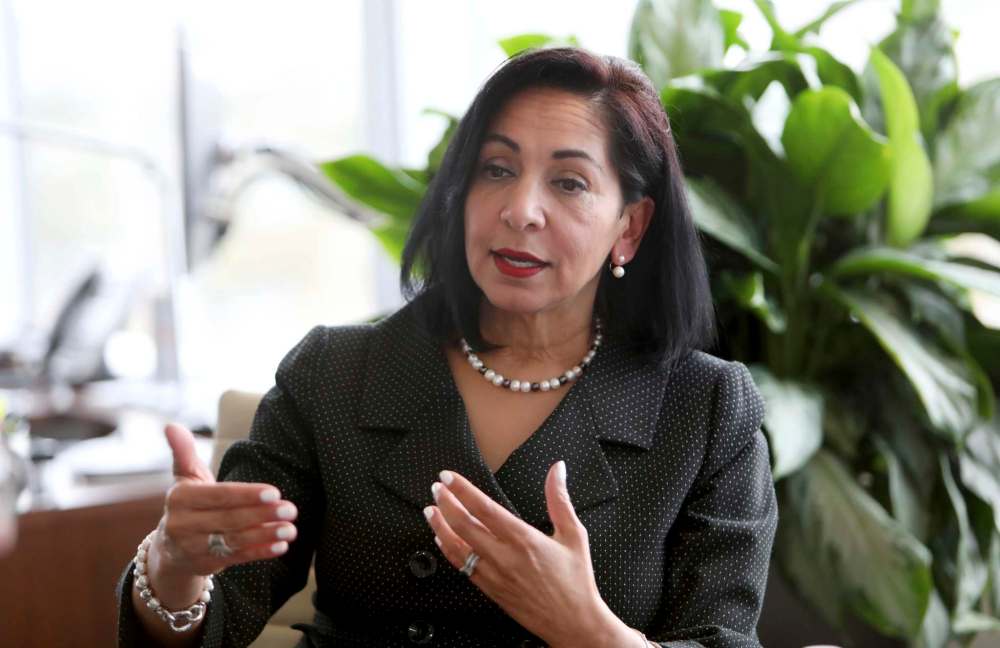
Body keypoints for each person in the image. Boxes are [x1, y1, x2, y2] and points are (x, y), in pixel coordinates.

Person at [116, 47, 777, 647]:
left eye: (569, 182)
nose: (520, 210)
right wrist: (174, 568)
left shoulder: (705, 408)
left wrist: (587, 629)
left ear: (629, 227)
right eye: (497, 169)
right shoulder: (335, 374)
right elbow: (214, 619)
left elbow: (721, 638)